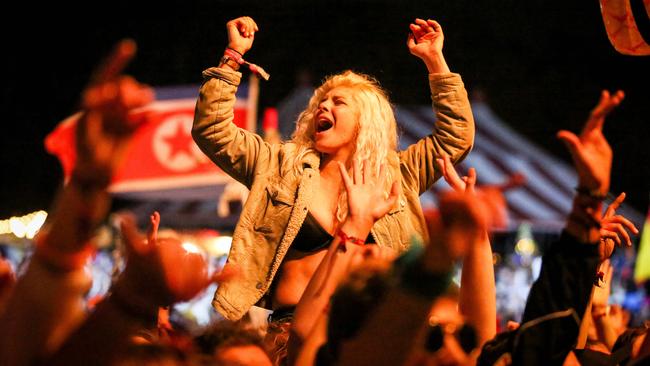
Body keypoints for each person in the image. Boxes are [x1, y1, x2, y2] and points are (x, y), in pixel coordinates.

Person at [192, 16, 475, 329]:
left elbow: (455, 137)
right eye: (320, 104)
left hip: (370, 332)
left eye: (338, 102)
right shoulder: (278, 165)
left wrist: (435, 60)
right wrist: (232, 57)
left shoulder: (397, 173)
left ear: (365, 120)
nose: (322, 108)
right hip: (291, 330)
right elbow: (213, 131)